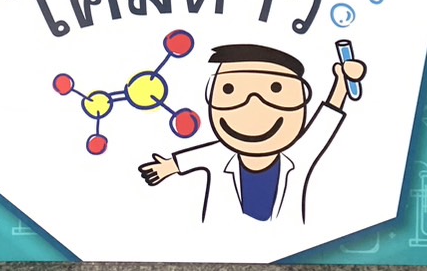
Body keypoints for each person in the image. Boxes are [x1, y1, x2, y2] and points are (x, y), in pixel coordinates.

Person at [138, 41, 365, 223]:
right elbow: (196, 156)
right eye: (229, 90)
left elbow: (324, 124)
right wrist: (168, 166)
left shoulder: (299, 156)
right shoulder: (219, 155)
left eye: (276, 90)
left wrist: (342, 83)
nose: (253, 106)